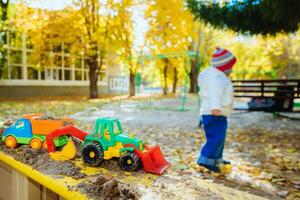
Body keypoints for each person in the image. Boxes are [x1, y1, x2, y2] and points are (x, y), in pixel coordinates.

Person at [197, 47, 236, 172]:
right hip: (214, 113)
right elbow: (215, 93)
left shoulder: (217, 76)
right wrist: (216, 107)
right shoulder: (216, 78)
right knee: (216, 138)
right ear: (224, 66)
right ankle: (205, 159)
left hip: (218, 113)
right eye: (230, 66)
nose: (231, 69)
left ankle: (217, 159)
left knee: (220, 137)